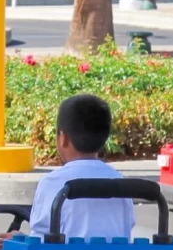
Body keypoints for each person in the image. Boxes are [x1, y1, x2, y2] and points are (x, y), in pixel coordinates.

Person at [13, 94, 135, 241]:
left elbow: (40, 242)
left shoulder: (52, 182)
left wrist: (17, 239)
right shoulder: (120, 183)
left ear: (63, 138)